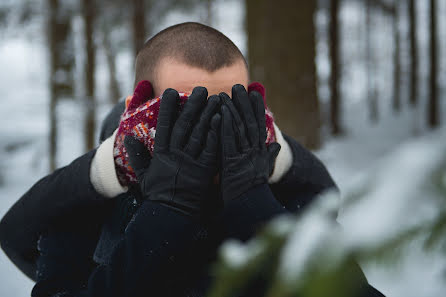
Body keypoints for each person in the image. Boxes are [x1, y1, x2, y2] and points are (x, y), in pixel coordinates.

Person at [0, 22, 383, 297]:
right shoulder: (89, 208)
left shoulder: (278, 189)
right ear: (144, 110)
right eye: (187, 112)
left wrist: (256, 207)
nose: (211, 130)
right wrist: (164, 216)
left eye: (229, 110)